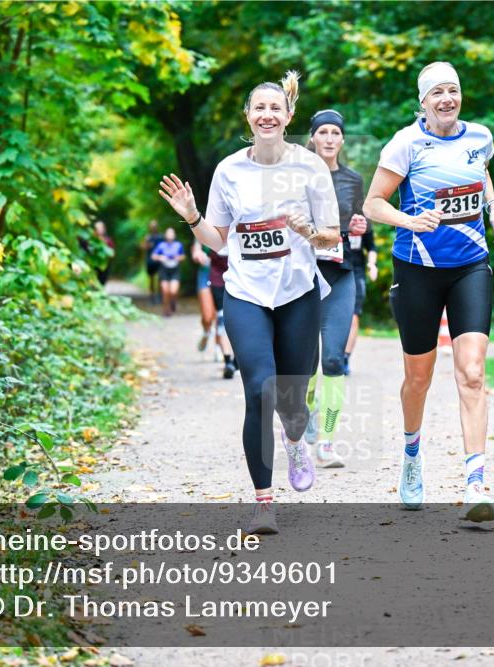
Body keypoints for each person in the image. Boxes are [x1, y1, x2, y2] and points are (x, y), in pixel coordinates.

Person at [158, 71, 341, 534]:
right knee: (259, 389)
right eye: (259, 108)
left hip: (298, 292)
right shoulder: (229, 170)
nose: (267, 114)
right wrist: (193, 217)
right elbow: (217, 242)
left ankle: (296, 439)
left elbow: (332, 238)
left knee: (293, 400)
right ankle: (263, 503)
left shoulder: (310, 167)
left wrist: (307, 232)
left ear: (288, 115)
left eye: (275, 108)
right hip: (246, 293)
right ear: (248, 116)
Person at [363, 61, 494, 520]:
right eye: (437, 93)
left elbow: (482, 173)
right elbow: (372, 204)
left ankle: (475, 481)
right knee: (419, 377)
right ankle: (412, 454)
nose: (447, 99)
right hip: (417, 270)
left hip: (469, 266)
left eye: (453, 90)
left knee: (471, 372)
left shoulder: (479, 137)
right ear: (423, 101)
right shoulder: (406, 143)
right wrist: (409, 220)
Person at [301, 109, 367, 468]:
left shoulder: (353, 180)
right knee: (308, 360)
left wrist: (360, 226)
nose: (329, 138)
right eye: (322, 132)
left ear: (342, 139)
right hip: (305, 278)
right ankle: (307, 410)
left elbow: (360, 226)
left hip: (341, 274)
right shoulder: (295, 176)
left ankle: (326, 441)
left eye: (335, 133)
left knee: (333, 359)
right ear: (313, 138)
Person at [344, 197, 378, 375]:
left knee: (354, 316)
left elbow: (371, 247)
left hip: (356, 271)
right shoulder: (335, 217)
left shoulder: (364, 222)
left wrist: (372, 265)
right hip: (336, 269)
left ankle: (345, 358)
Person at [207, 244, 238, 379]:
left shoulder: (240, 226)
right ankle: (229, 362)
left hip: (239, 282)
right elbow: (199, 249)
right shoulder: (210, 227)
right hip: (218, 282)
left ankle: (233, 362)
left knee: (239, 324)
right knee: (222, 320)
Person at [150, 227, 184, 317]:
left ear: (174, 235)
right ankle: (166, 310)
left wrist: (178, 257)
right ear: (165, 235)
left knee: (173, 291)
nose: (170, 235)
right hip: (164, 269)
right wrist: (160, 257)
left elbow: (183, 256)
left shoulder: (178, 245)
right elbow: (153, 256)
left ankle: (173, 302)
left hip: (175, 269)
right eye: (168, 233)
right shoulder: (161, 245)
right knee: (165, 291)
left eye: (171, 233)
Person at [191, 240, 217, 351]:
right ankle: (206, 332)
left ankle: (220, 347)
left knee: (221, 315)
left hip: (225, 274)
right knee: (207, 317)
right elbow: (196, 248)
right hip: (206, 274)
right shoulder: (204, 223)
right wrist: (197, 254)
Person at [143, 220, 165, 304]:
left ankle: (160, 297)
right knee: (151, 280)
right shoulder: (148, 237)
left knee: (160, 279)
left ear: (157, 227)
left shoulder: (161, 236)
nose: (153, 228)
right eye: (152, 226)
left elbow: (164, 247)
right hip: (150, 261)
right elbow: (143, 247)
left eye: (155, 226)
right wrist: (147, 245)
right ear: (150, 227)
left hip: (159, 261)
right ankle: (152, 298)